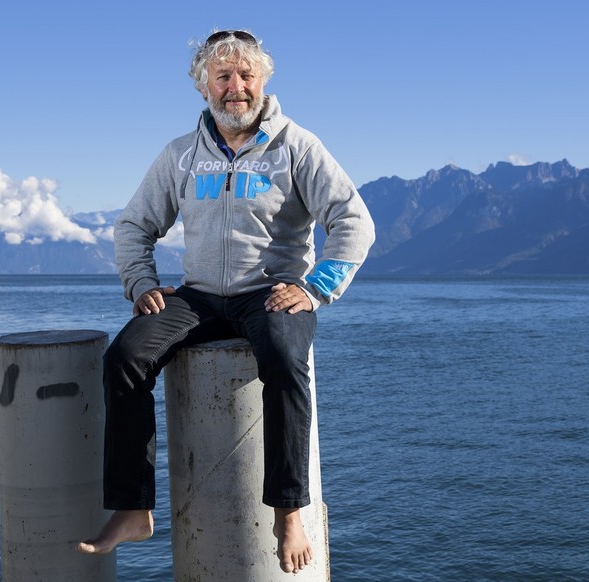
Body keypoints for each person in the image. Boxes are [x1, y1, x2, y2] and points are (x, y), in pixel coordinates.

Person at [76, 29, 375, 574]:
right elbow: (133, 227)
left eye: (245, 76)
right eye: (223, 77)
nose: (235, 87)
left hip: (271, 294)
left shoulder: (298, 147)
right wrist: (142, 284)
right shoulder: (182, 155)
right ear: (203, 87)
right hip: (198, 298)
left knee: (286, 362)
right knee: (125, 358)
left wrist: (314, 289)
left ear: (263, 81)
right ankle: (132, 508)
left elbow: (354, 223)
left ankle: (289, 512)